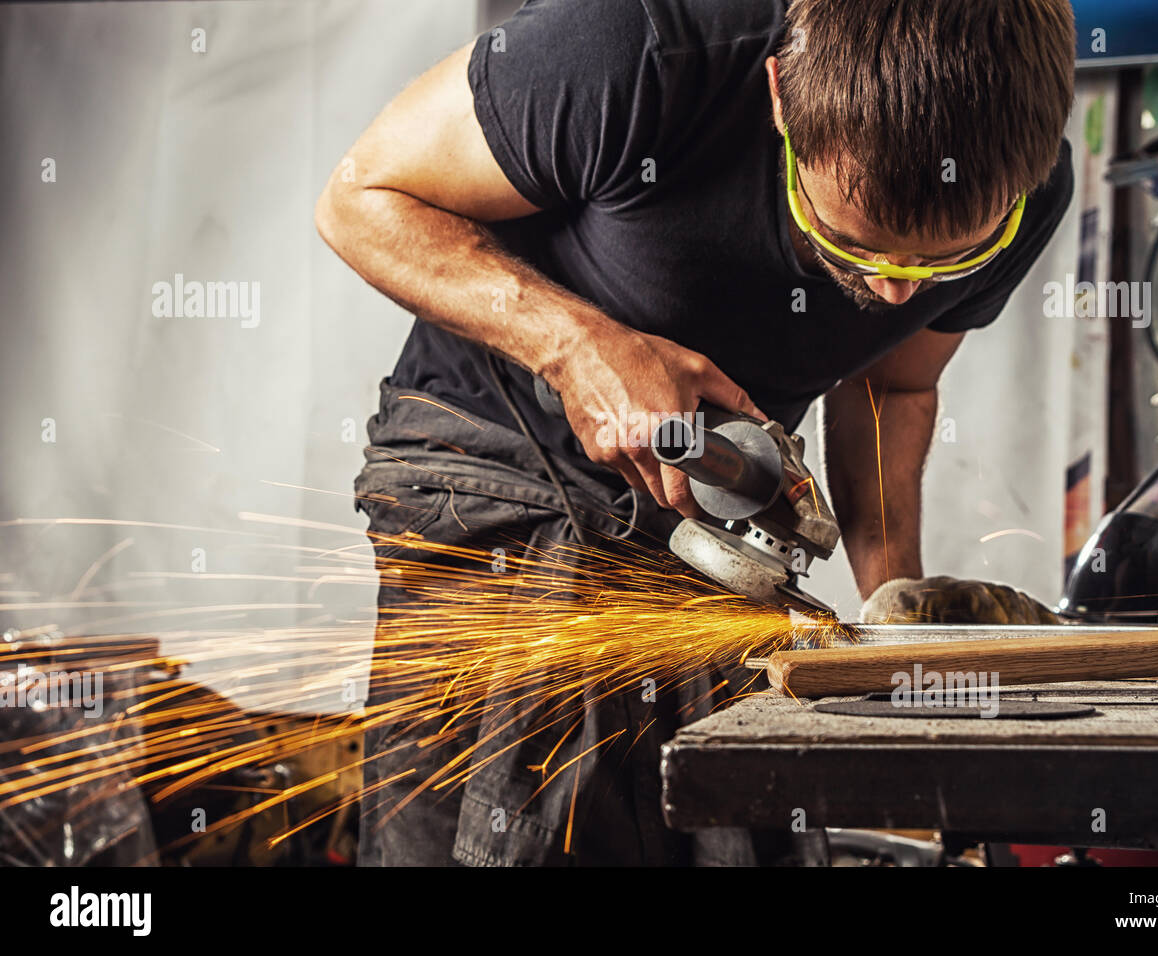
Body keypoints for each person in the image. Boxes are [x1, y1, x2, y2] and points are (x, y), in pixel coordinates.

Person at [316, 0, 1076, 866]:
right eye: (852, 244)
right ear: (783, 96)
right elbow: (361, 198)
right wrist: (579, 348)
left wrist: (890, 614)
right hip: (498, 475)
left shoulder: (1031, 184)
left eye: (944, 260)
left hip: (711, 534)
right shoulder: (636, 49)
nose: (896, 290)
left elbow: (894, 385)